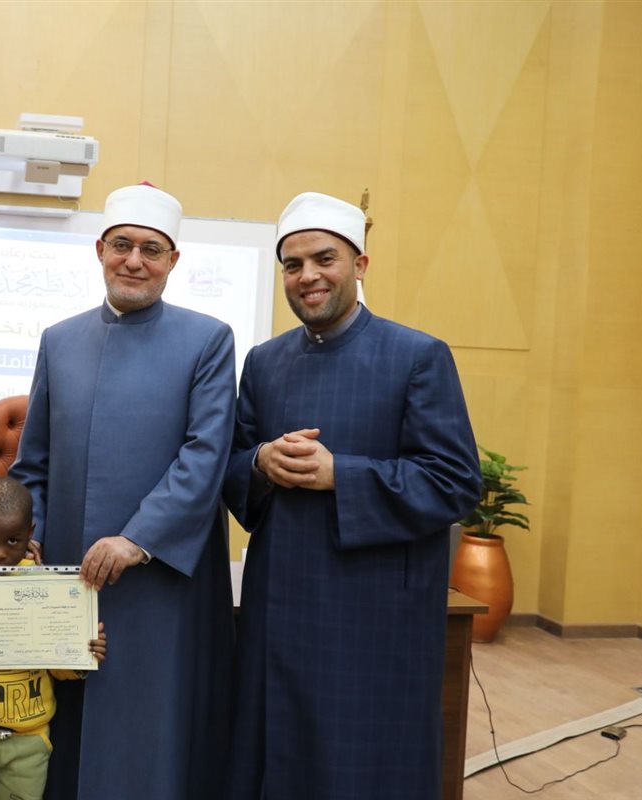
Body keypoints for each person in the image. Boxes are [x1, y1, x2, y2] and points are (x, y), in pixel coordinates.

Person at [222, 191, 482, 799]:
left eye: (325, 259)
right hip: (278, 608)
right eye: (293, 265)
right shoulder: (264, 362)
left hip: (374, 615)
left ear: (360, 264)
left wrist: (343, 474)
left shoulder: (417, 355)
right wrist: (260, 462)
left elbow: (454, 482)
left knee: (360, 767)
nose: (308, 276)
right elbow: (231, 466)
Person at [7, 182, 237, 800]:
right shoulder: (60, 339)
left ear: (173, 260)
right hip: (69, 578)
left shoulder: (208, 339)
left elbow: (205, 454)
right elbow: (33, 463)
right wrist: (29, 539)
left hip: (161, 581)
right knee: (68, 736)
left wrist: (137, 539)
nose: (134, 261)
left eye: (151, 250)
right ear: (101, 250)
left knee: (148, 738)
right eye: (122, 246)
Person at [0, 477, 107, 800]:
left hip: (28, 739)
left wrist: (83, 653)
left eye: (13, 541)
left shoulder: (47, 587)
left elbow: (57, 662)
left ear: (30, 533)